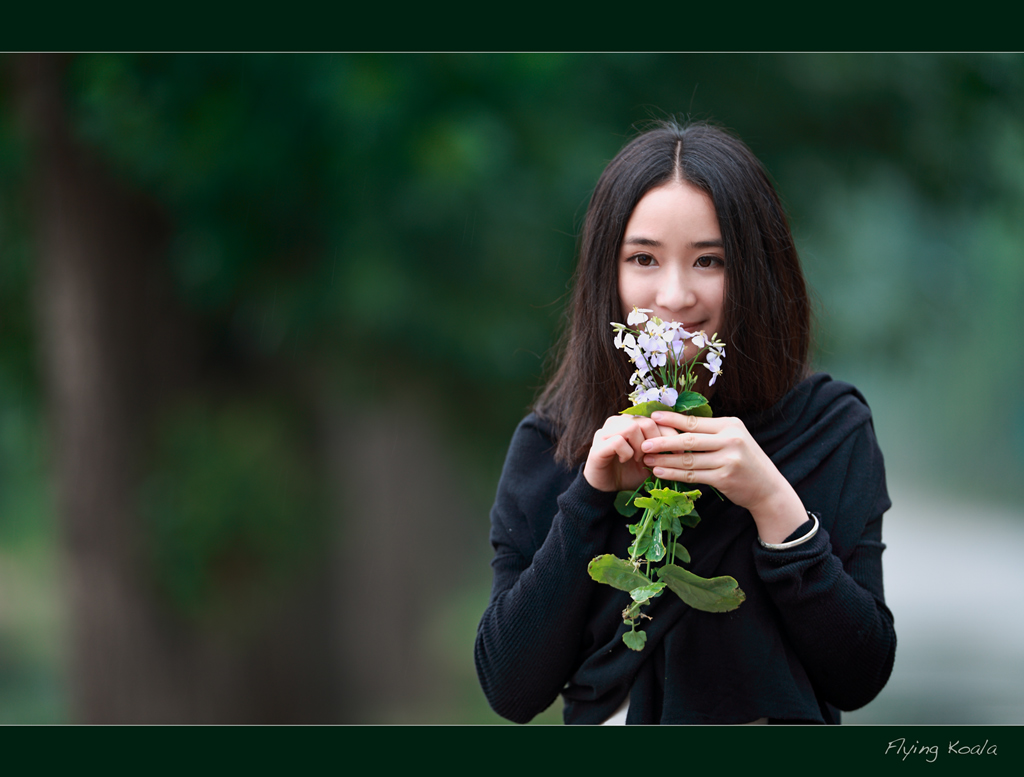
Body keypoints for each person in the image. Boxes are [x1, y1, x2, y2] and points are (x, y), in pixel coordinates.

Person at [473, 120, 896, 725]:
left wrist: (773, 503)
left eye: (710, 261)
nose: (674, 295)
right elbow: (510, 690)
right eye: (643, 258)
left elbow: (859, 676)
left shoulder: (829, 427)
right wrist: (589, 498)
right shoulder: (554, 443)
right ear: (607, 275)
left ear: (759, 272)